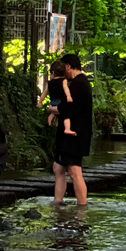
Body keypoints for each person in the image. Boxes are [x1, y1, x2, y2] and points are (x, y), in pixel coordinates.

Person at [52, 53, 93, 206]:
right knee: (58, 167)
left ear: (68, 66)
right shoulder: (80, 82)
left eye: (63, 68)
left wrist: (52, 109)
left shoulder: (79, 83)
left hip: (75, 135)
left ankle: (82, 205)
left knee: (75, 171)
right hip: (70, 134)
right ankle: (58, 202)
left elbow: (68, 107)